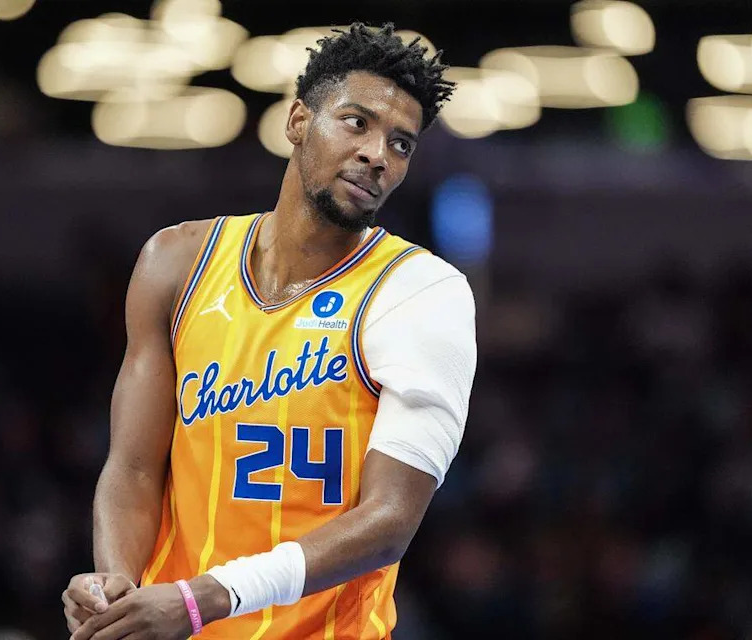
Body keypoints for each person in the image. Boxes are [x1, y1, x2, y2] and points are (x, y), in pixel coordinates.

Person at [62, 22, 476, 639]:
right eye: (357, 123)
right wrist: (115, 585)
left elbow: (390, 520)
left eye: (401, 144)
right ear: (298, 120)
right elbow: (134, 469)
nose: (377, 155)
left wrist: (203, 599)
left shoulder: (420, 292)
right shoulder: (175, 263)